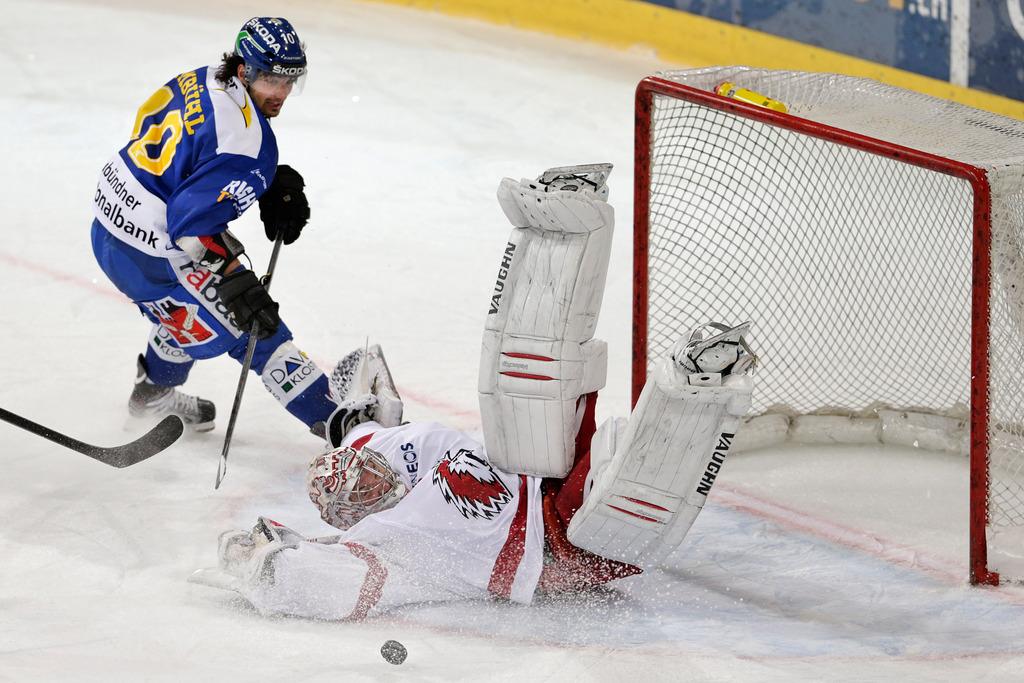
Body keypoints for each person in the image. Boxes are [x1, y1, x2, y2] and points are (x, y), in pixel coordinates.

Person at [191, 165, 756, 619]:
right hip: (562, 548)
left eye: (362, 468)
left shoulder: (387, 458)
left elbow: (366, 420)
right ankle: (698, 390)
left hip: (535, 466)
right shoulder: (390, 542)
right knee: (615, 497)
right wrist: (260, 564)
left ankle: (565, 234)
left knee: (528, 376)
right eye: (364, 487)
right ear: (356, 513)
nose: (373, 476)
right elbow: (341, 586)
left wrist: (360, 413)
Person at [91, 17, 341, 437]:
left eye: (289, 81)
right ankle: (344, 426)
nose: (280, 93)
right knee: (255, 327)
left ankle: (154, 391)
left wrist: (258, 183)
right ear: (245, 69)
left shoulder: (203, 78)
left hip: (108, 225)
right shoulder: (247, 144)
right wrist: (235, 283)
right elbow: (191, 231)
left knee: (188, 307)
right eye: (269, 80)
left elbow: (192, 151)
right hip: (154, 253)